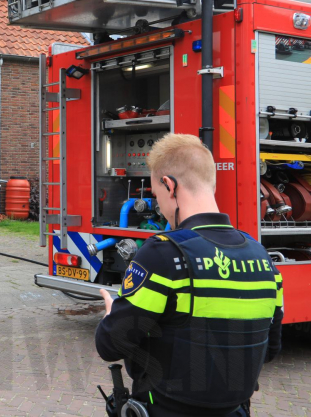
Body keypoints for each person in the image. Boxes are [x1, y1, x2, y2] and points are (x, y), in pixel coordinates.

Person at [95, 133, 283, 417]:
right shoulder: (265, 261)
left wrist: (112, 317)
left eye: (158, 198)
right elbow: (268, 350)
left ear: (169, 185)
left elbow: (111, 345)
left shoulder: (162, 253)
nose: (162, 210)